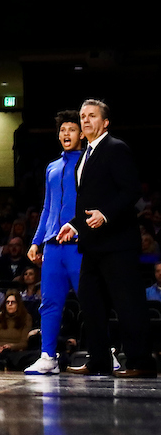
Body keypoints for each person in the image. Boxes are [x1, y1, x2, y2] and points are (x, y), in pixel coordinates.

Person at [58, 99, 155, 377]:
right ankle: (99, 360)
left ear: (105, 122)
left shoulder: (116, 148)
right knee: (91, 305)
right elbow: (91, 200)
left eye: (92, 116)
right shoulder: (85, 155)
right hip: (92, 245)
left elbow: (131, 191)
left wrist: (106, 215)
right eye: (83, 116)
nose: (85, 120)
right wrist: (75, 225)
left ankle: (140, 362)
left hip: (118, 244)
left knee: (128, 305)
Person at [0, 290, 36, 370]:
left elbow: (24, 343)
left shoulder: (26, 318)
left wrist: (11, 346)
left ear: (18, 304)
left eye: (13, 302)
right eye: (7, 302)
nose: (10, 305)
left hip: (15, 352)